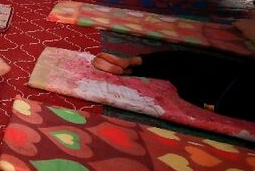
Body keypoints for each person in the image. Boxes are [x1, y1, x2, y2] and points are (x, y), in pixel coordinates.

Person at [91, 51, 253, 121]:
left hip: (225, 94)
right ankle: (131, 66)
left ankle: (132, 63)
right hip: (230, 85)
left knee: (185, 64)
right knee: (184, 65)